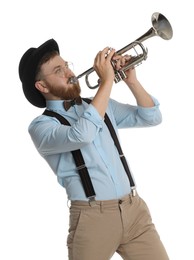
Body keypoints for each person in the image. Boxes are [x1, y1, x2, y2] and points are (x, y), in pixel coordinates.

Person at [18, 38, 169, 260]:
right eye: (58, 70)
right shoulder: (41, 126)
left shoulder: (97, 104)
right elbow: (82, 134)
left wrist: (132, 82)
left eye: (67, 65)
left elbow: (152, 117)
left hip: (134, 210)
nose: (69, 73)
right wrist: (106, 82)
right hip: (91, 218)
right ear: (42, 86)